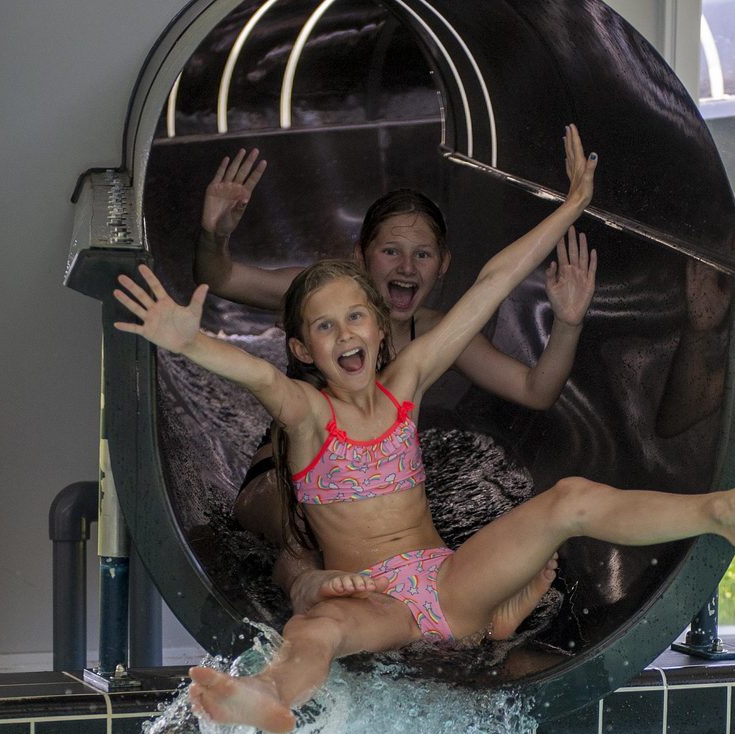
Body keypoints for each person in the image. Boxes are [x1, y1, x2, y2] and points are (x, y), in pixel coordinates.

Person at [115, 126, 735, 734]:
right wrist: (189, 342)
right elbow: (256, 378)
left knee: (569, 498)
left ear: (379, 326)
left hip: (448, 580)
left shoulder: (407, 382)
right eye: (324, 328)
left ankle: (722, 511)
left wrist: (571, 206)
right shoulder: (308, 413)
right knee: (316, 627)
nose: (345, 335)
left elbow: (491, 283)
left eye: (355, 319)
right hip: (377, 599)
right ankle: (267, 693)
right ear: (304, 351)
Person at [195, 147, 596, 597]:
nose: (407, 267)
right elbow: (221, 276)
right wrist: (215, 234)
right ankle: (307, 586)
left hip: (371, 493)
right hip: (284, 478)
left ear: (443, 266)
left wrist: (567, 323)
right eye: (391, 251)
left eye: (422, 255)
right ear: (361, 257)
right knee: (304, 531)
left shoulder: (435, 336)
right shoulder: (322, 298)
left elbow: (535, 390)